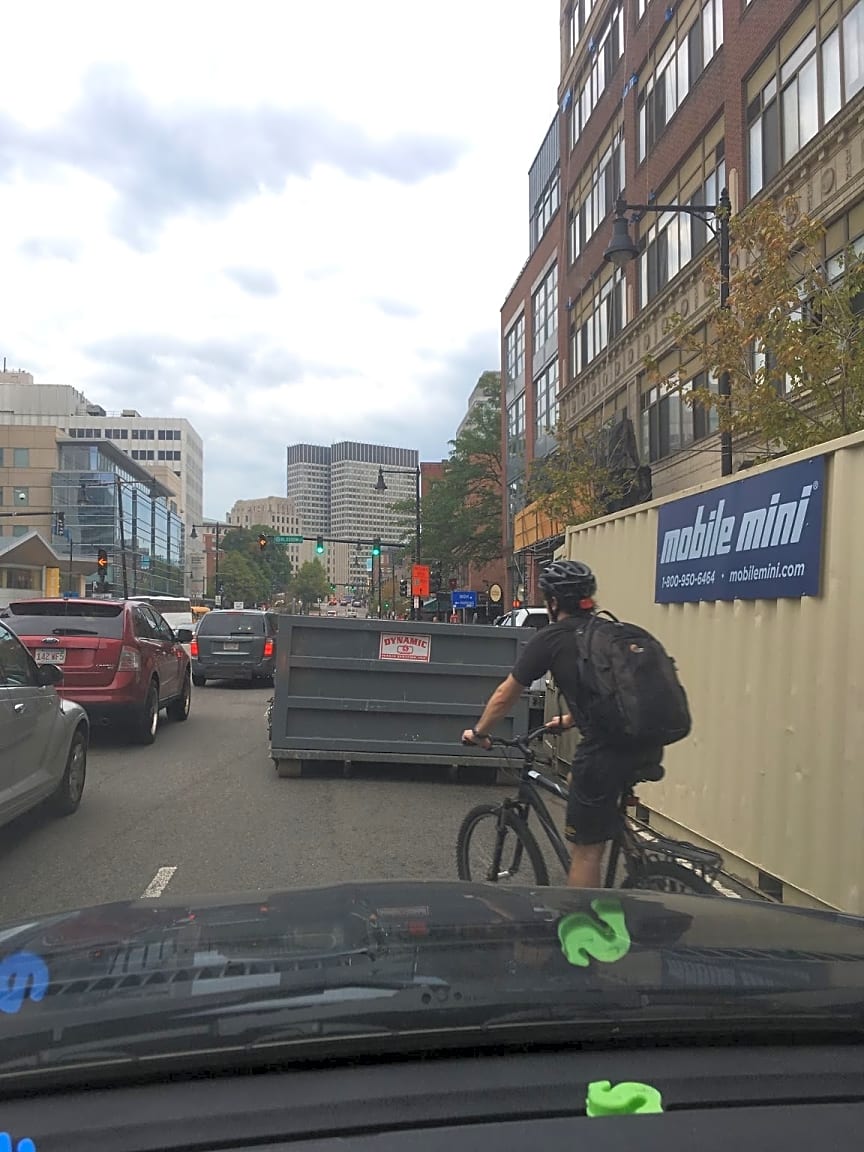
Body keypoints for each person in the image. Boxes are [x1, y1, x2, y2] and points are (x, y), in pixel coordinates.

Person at [462, 560, 663, 889]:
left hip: (605, 752)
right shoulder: (609, 631)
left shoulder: (552, 638)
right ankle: (630, 852)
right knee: (582, 787)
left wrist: (479, 732)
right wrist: (570, 720)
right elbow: (613, 694)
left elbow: (505, 695)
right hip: (648, 742)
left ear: (553, 602)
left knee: (585, 852)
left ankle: (584, 919)